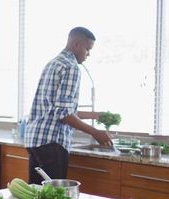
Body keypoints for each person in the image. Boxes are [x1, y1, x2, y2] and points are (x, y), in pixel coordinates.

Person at [24, 27, 112, 185]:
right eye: (87, 49)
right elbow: (64, 114)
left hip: (35, 141)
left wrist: (95, 115)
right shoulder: (72, 67)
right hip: (53, 143)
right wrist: (95, 132)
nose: (88, 54)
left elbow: (58, 108)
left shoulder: (53, 63)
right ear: (77, 44)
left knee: (36, 197)